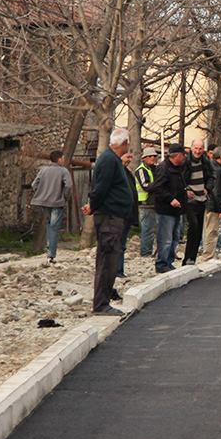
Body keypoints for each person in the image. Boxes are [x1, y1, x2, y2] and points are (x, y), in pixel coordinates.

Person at [82, 129, 134, 315]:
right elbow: (100, 188)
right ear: (125, 143)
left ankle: (103, 302)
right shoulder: (108, 160)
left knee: (110, 259)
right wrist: (93, 206)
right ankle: (101, 304)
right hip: (109, 218)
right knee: (107, 260)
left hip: (114, 217)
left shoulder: (112, 160)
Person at [29, 149, 72, 264]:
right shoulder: (63, 171)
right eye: (63, 158)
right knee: (54, 227)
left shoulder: (43, 170)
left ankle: (49, 249)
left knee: (49, 224)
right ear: (59, 159)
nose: (63, 160)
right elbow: (68, 186)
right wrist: (64, 198)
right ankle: (51, 255)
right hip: (57, 203)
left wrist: (41, 193)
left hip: (43, 202)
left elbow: (34, 185)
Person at [150, 144, 188, 273]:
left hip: (177, 209)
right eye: (183, 155)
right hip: (165, 209)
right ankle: (161, 264)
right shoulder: (163, 168)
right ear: (177, 155)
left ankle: (169, 261)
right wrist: (170, 199)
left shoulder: (178, 168)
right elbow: (158, 188)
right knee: (165, 238)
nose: (184, 158)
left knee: (175, 237)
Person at [180, 139, 213, 266]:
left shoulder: (205, 162)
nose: (198, 151)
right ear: (191, 148)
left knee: (198, 229)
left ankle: (192, 259)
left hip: (202, 199)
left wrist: (207, 188)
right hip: (190, 199)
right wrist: (186, 189)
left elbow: (211, 177)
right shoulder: (185, 162)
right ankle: (186, 258)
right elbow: (181, 178)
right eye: (196, 148)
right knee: (193, 226)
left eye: (200, 149)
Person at [116, 150, 139, 279]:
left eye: (131, 156)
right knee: (119, 244)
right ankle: (117, 270)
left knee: (122, 244)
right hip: (120, 214)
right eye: (127, 157)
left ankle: (119, 269)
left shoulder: (127, 172)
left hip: (127, 214)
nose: (129, 159)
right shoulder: (118, 171)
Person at [135, 146, 159, 257]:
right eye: (150, 156)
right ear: (144, 158)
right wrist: (159, 184)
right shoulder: (141, 170)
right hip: (145, 203)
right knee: (147, 229)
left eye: (154, 156)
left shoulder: (155, 169)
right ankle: (145, 253)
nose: (153, 158)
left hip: (155, 203)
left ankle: (155, 252)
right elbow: (145, 186)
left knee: (156, 229)